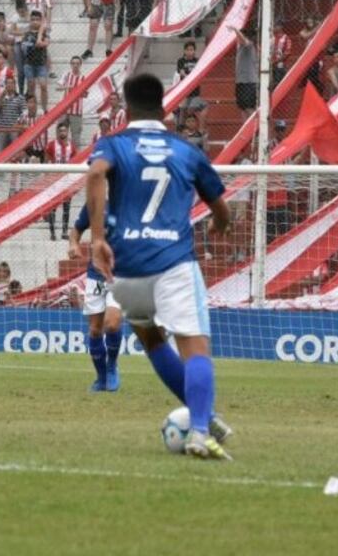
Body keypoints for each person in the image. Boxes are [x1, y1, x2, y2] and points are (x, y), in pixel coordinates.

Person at [86, 72, 234, 460]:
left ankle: (205, 414)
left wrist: (97, 236)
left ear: (126, 107)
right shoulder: (186, 150)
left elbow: (96, 173)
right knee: (195, 347)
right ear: (165, 106)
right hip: (173, 261)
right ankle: (200, 430)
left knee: (152, 338)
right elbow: (221, 208)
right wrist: (219, 225)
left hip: (127, 266)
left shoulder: (113, 143)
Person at [69, 202, 124, 391]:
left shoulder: (132, 201)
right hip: (95, 275)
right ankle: (101, 378)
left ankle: (111, 367)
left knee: (112, 323)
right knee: (94, 330)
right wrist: (74, 244)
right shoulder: (95, 204)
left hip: (121, 274)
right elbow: (76, 230)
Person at [45, 121, 75, 239]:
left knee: (66, 207)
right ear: (57, 132)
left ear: (67, 132)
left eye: (64, 130)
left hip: (66, 181)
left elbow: (75, 160)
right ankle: (52, 233)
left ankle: (64, 232)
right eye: (60, 130)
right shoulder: (52, 145)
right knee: (53, 207)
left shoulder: (71, 146)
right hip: (54, 180)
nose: (62, 132)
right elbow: (47, 159)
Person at [20, 9, 49, 113]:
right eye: (33, 19)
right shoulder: (26, 34)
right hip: (29, 64)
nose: (35, 21)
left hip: (41, 64)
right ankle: (33, 109)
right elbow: (24, 48)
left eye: (37, 20)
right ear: (30, 21)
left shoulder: (45, 33)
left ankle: (45, 108)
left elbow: (42, 44)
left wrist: (41, 32)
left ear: (41, 21)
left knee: (43, 85)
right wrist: (36, 43)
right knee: (31, 87)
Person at [56, 56, 87, 147]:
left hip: (76, 112)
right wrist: (67, 87)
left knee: (75, 136)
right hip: (64, 110)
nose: (75, 65)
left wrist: (77, 91)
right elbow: (57, 87)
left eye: (77, 63)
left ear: (80, 65)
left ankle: (75, 159)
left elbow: (86, 94)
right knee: (60, 133)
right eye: (73, 63)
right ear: (70, 64)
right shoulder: (67, 75)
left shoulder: (83, 78)